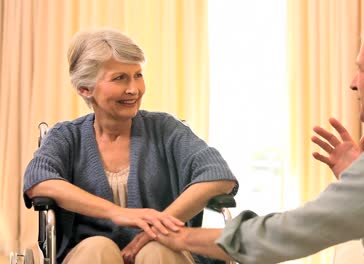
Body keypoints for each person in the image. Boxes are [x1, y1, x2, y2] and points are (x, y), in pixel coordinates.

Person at [154, 17, 364, 263]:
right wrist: (363, 178)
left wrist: (183, 237)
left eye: (360, 70)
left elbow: (295, 232)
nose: (353, 83)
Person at [23, 28, 238, 264]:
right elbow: (38, 180)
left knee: (157, 249)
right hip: (89, 254)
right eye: (119, 78)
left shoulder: (166, 130)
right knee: (98, 247)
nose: (134, 89)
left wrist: (157, 227)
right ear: (85, 89)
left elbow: (219, 176)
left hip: (165, 251)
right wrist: (119, 213)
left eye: (138, 75)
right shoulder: (67, 137)